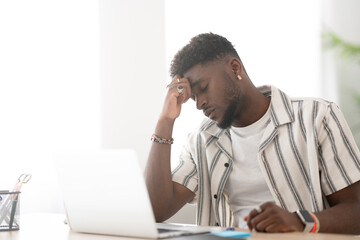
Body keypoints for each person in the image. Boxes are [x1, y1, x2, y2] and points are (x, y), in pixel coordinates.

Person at [144, 33, 360, 234]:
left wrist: (299, 221)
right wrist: (165, 121)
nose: (200, 104)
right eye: (193, 98)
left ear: (235, 68)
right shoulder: (202, 140)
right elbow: (156, 211)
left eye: (204, 88)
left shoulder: (316, 117)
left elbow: (355, 210)